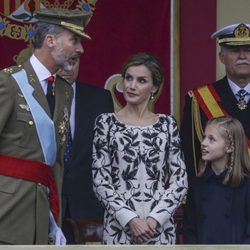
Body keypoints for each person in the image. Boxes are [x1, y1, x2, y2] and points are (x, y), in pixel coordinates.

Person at [0, 8, 91, 245]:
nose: (80, 49)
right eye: (74, 40)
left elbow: (57, 164)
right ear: (50, 41)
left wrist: (55, 220)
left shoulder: (63, 90)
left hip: (42, 214)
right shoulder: (8, 82)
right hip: (6, 211)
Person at [92, 52, 188, 245]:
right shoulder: (106, 123)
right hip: (119, 227)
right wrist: (131, 220)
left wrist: (154, 220)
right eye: (128, 78)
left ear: (155, 87)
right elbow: (100, 180)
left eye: (141, 80)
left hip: (159, 229)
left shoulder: (167, 124)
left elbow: (180, 181)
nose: (131, 86)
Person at [180, 23, 250, 179]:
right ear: (221, 57)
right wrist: (193, 200)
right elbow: (190, 155)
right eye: (234, 50)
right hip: (217, 195)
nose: (242, 56)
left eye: (248, 50)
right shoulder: (199, 99)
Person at [57, 55, 114, 243]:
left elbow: (108, 154)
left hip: (87, 203)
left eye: (73, 61)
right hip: (46, 201)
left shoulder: (100, 98)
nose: (68, 68)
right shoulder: (36, 97)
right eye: (63, 62)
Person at [184, 116, 250, 244]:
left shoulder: (246, 186)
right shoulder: (197, 185)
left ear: (229, 147)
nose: (203, 143)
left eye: (211, 139)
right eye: (204, 137)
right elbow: (190, 230)